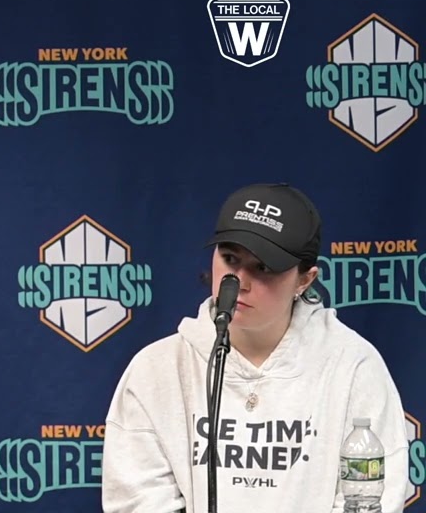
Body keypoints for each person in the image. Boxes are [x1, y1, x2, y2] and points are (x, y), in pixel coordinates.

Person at [102, 183, 409, 512]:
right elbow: (136, 501)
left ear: (305, 280)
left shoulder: (353, 366)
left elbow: (371, 500)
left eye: (263, 267)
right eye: (230, 259)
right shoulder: (157, 368)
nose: (240, 282)